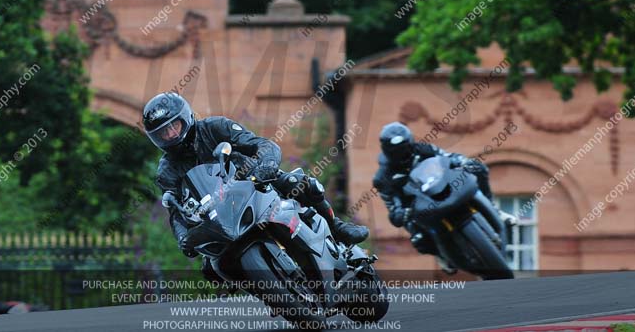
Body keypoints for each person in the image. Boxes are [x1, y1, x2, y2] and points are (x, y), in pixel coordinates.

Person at [143, 92, 369, 263]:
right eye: (164, 132)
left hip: (253, 182)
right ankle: (269, 289)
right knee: (211, 266)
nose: (171, 134)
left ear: (184, 117)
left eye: (174, 126)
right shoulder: (167, 170)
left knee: (300, 184)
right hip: (218, 216)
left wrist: (267, 166)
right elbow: (174, 211)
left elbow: (260, 145)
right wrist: (184, 238)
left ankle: (336, 227)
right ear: (157, 138)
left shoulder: (215, 127)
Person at [372, 122, 514, 273]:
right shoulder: (383, 177)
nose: (404, 154)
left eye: (406, 148)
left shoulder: (423, 149)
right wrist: (399, 213)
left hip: (441, 188)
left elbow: (446, 157)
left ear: (411, 142)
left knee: (479, 169)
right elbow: (391, 206)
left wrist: (462, 161)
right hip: (417, 207)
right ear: (388, 152)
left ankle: (494, 209)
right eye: (398, 152)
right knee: (418, 238)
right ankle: (441, 255)